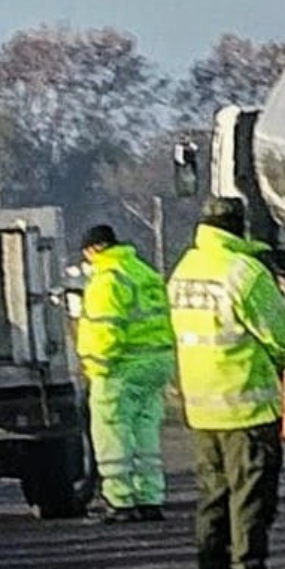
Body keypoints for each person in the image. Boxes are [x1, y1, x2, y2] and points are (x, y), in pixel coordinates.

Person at [168, 197, 285, 569]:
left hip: (202, 408)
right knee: (250, 502)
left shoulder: (183, 271)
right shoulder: (244, 273)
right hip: (246, 409)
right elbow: (279, 333)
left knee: (212, 500)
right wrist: (282, 364)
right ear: (239, 228)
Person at [76, 224, 176, 523]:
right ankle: (151, 497)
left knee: (112, 432)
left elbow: (105, 331)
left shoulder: (107, 280)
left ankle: (120, 501)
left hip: (121, 367)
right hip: (156, 363)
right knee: (146, 432)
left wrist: (96, 369)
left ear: (94, 249)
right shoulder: (144, 272)